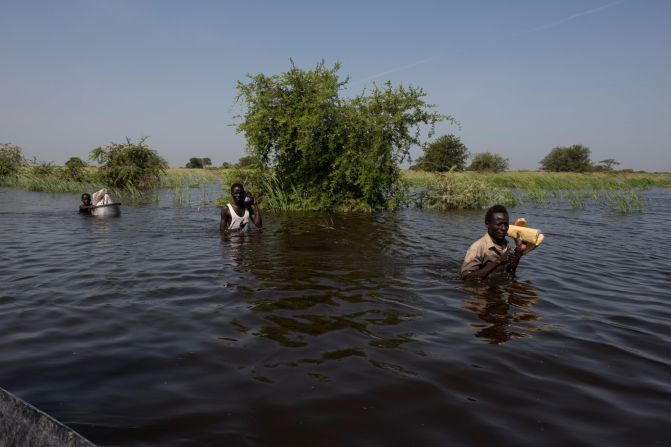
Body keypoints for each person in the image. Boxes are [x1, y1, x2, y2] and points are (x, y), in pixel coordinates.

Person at [461, 204, 527, 280]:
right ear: (487, 224)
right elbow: (466, 277)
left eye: (506, 224)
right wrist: (499, 261)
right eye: (499, 224)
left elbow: (510, 271)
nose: (503, 228)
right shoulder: (477, 248)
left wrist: (519, 252)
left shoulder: (506, 245)